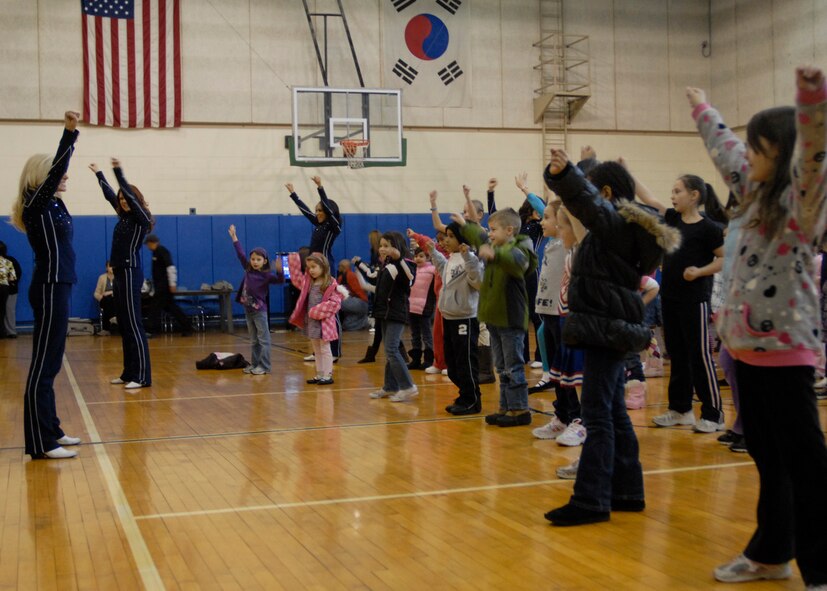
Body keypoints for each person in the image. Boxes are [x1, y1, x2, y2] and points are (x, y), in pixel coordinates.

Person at [690, 67, 827, 587]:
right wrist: (704, 109)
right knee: (769, 460)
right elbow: (724, 150)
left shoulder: (801, 204)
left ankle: (821, 567)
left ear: (783, 152)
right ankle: (772, 553)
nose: (747, 155)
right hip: (747, 353)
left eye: (759, 147)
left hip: (787, 353)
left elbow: (815, 152)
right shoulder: (750, 196)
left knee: (807, 465)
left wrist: (813, 99)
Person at [543, 154, 680, 526]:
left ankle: (590, 500)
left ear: (604, 192)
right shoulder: (623, 228)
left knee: (597, 415)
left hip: (606, 326)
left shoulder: (615, 224)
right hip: (612, 324)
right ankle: (627, 490)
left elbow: (584, 202)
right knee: (614, 413)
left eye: (592, 189)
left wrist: (565, 175)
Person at [10, 110, 82, 459]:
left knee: (52, 362)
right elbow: (56, 172)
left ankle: (51, 428)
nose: (64, 175)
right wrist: (69, 134)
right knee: (43, 363)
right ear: (43, 176)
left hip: (61, 283)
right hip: (49, 285)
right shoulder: (36, 204)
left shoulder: (54, 203)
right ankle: (40, 444)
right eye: (56, 171)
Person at [633, 171, 726, 432]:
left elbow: (723, 259)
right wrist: (629, 173)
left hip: (694, 300)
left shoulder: (709, 228)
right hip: (670, 299)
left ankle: (714, 413)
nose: (672, 196)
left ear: (694, 195)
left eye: (677, 191)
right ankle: (680, 409)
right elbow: (650, 200)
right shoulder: (672, 219)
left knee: (700, 355)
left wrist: (699, 271)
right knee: (678, 355)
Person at [461, 207, 538, 427]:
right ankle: (506, 407)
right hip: (495, 318)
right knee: (502, 367)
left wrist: (495, 253)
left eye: (494, 229)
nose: (490, 233)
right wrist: (464, 223)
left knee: (513, 366)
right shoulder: (496, 246)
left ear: (510, 230)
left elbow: (518, 263)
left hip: (511, 318)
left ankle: (520, 409)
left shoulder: (520, 247)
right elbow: (481, 237)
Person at [91, 159, 153, 389]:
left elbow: (125, 193)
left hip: (130, 272)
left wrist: (118, 172)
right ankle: (129, 373)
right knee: (124, 324)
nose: (123, 202)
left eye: (127, 198)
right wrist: (99, 175)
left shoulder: (141, 218)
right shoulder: (123, 217)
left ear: (135, 200)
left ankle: (143, 376)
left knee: (134, 324)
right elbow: (110, 195)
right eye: (121, 200)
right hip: (118, 273)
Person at [410, 222, 483, 414]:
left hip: (465, 318)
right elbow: (444, 272)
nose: (446, 240)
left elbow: (478, 282)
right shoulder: (452, 258)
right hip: (449, 317)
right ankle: (465, 394)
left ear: (462, 239)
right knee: (452, 366)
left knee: (465, 362)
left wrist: (468, 257)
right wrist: (434, 253)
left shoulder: (471, 259)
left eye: (451, 236)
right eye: (446, 236)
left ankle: (472, 400)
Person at [369, 231, 419, 402]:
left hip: (396, 312)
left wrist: (399, 259)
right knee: (392, 349)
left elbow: (410, 279)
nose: (382, 249)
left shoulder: (405, 263)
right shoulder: (385, 264)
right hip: (384, 312)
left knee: (391, 349)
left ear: (396, 246)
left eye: (386, 246)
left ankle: (408, 386)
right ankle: (390, 386)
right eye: (381, 246)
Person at [229, 225, 283, 375]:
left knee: (263, 339)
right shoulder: (248, 269)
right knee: (254, 340)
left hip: (259, 311)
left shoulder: (266, 276)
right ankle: (255, 364)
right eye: (253, 259)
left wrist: (279, 270)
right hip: (248, 309)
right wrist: (234, 237)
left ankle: (264, 366)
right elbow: (240, 253)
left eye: (258, 259)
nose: (255, 261)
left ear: (264, 261)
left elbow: (279, 280)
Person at [289, 251, 343, 385]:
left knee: (325, 349)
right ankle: (320, 374)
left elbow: (335, 304)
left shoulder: (330, 283)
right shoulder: (309, 282)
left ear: (323, 267)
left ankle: (328, 374)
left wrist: (316, 311)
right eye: (309, 267)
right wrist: (293, 260)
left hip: (324, 323)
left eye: (314, 267)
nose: (311, 270)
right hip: (312, 323)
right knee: (316, 350)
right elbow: (296, 279)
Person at [144, 234, 194, 336]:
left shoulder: (162, 251)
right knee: (172, 308)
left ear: (152, 243)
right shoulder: (155, 253)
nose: (147, 247)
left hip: (164, 287)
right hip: (160, 287)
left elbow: (170, 268)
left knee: (154, 308)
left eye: (148, 244)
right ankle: (187, 326)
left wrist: (172, 284)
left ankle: (150, 330)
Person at [406, 247, 436, 370]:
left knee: (426, 334)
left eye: (421, 256)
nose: (418, 258)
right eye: (416, 256)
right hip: (411, 306)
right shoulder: (412, 270)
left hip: (425, 307)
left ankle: (429, 359)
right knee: (414, 334)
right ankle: (416, 359)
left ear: (428, 257)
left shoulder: (433, 270)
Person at [337, 260, 370, 331]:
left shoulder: (343, 277)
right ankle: (362, 324)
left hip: (359, 303)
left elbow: (340, 293)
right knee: (349, 324)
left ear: (342, 267)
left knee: (335, 301)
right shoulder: (353, 275)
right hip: (364, 304)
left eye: (339, 266)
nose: (338, 268)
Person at [0, 241, 21, 337]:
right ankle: (11, 332)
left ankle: (3, 332)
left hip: (7, 288)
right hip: (9, 288)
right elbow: (15, 276)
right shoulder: (10, 261)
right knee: (9, 310)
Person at [93, 262, 116, 334]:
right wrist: (101, 297)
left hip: (115, 298)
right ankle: (113, 318)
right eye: (110, 266)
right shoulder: (102, 278)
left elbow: (122, 291)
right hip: (104, 299)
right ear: (107, 268)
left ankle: (106, 329)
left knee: (111, 301)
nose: (112, 268)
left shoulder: (119, 277)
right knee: (107, 300)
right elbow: (96, 293)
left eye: (113, 266)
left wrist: (110, 292)